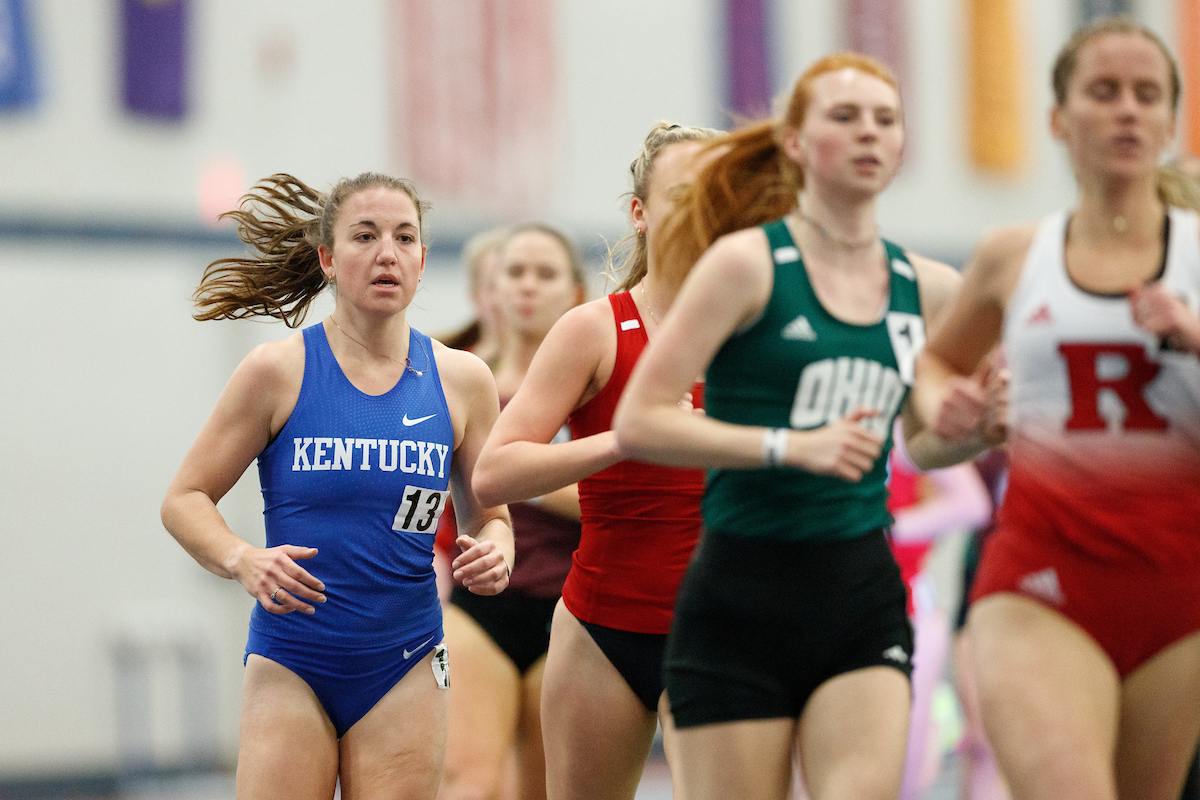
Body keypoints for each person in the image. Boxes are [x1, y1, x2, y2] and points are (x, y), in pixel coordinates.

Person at [612, 54, 995, 800]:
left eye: (886, 120)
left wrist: (982, 427)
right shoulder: (745, 266)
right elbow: (641, 421)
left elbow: (923, 441)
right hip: (739, 594)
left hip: (859, 591)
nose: (869, 135)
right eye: (845, 117)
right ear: (794, 142)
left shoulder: (929, 288)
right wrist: (787, 445)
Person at [912, 15, 1200, 800]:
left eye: (1147, 95)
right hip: (1043, 576)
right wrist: (955, 408)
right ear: (1057, 119)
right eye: (1103, 92)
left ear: (1173, 120)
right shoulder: (1013, 256)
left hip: (1180, 590)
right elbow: (934, 369)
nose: (1128, 111)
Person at [160, 172, 514, 800]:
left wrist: (497, 548)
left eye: (406, 238)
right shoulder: (278, 370)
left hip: (405, 657)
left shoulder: (462, 380)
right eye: (365, 236)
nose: (388, 253)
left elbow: (492, 516)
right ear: (327, 258)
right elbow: (184, 500)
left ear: (424, 259)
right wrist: (243, 558)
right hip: (295, 655)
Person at [472, 121, 719, 800]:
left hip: (720, 619)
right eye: (682, 193)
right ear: (640, 213)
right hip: (600, 628)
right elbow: (494, 471)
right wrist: (624, 440)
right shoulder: (594, 329)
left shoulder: (756, 332)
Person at [437, 224, 586, 800]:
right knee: (468, 781)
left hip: (571, 607)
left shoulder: (592, 384)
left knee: (547, 788)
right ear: (490, 290)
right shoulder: (460, 380)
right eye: (514, 274)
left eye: (544, 274)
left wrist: (519, 474)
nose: (527, 288)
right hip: (481, 605)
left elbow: (613, 497)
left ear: (574, 292)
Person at [438, 227, 511, 366]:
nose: (503, 298)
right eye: (493, 286)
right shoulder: (444, 363)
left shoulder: (550, 362)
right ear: (475, 295)